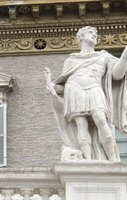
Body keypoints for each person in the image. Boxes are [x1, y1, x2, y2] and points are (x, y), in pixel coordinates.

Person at [44, 26, 127, 162]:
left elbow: (117, 74)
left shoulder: (103, 56)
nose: (94, 35)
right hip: (74, 90)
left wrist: (125, 55)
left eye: (95, 34)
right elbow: (62, 87)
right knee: (81, 124)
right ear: (81, 37)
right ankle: (87, 160)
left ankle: (113, 160)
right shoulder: (70, 61)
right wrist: (52, 87)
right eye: (90, 32)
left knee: (100, 119)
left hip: (94, 88)